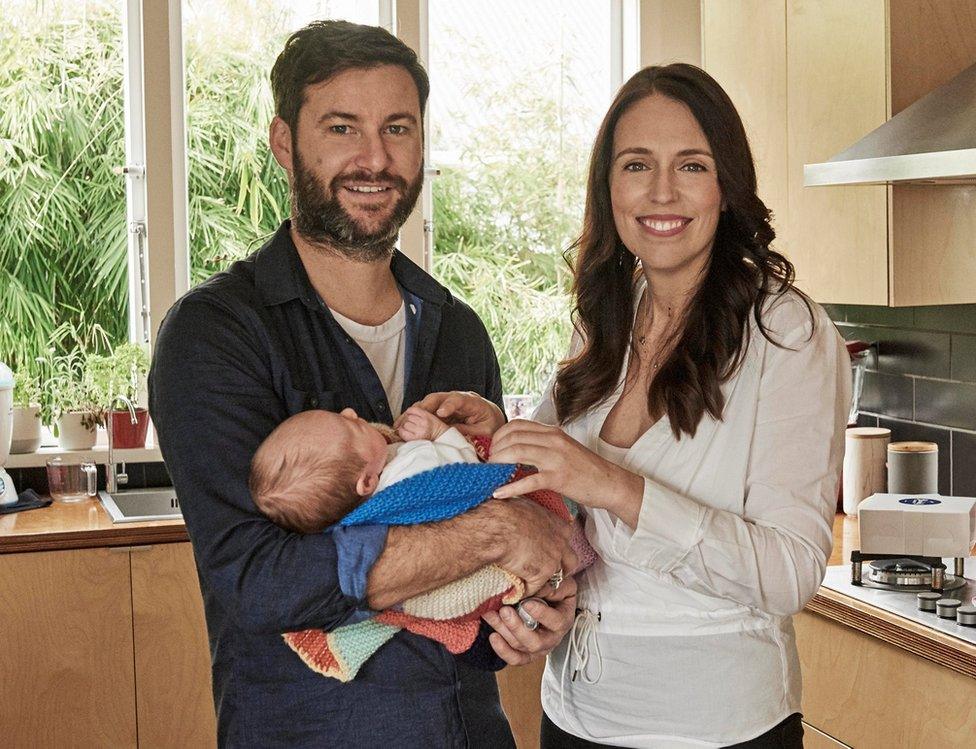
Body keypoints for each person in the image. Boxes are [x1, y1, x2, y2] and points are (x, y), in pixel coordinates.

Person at [149, 20, 577, 747]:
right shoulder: (216, 334)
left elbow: (470, 609)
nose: (375, 158)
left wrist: (530, 610)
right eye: (342, 127)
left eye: (398, 128)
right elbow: (260, 581)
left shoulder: (458, 330)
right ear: (285, 143)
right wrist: (498, 532)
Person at [418, 64, 851, 748]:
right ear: (609, 185)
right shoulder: (607, 318)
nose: (661, 191)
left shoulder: (784, 329)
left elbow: (791, 570)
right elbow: (562, 519)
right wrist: (503, 441)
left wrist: (613, 485)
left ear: (726, 185)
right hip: (574, 715)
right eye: (636, 164)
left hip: (717, 728)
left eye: (692, 164)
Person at [248, 405, 481, 533]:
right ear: (367, 482)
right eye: (353, 427)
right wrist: (439, 433)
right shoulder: (417, 465)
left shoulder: (354, 516)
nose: (350, 412)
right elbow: (471, 470)